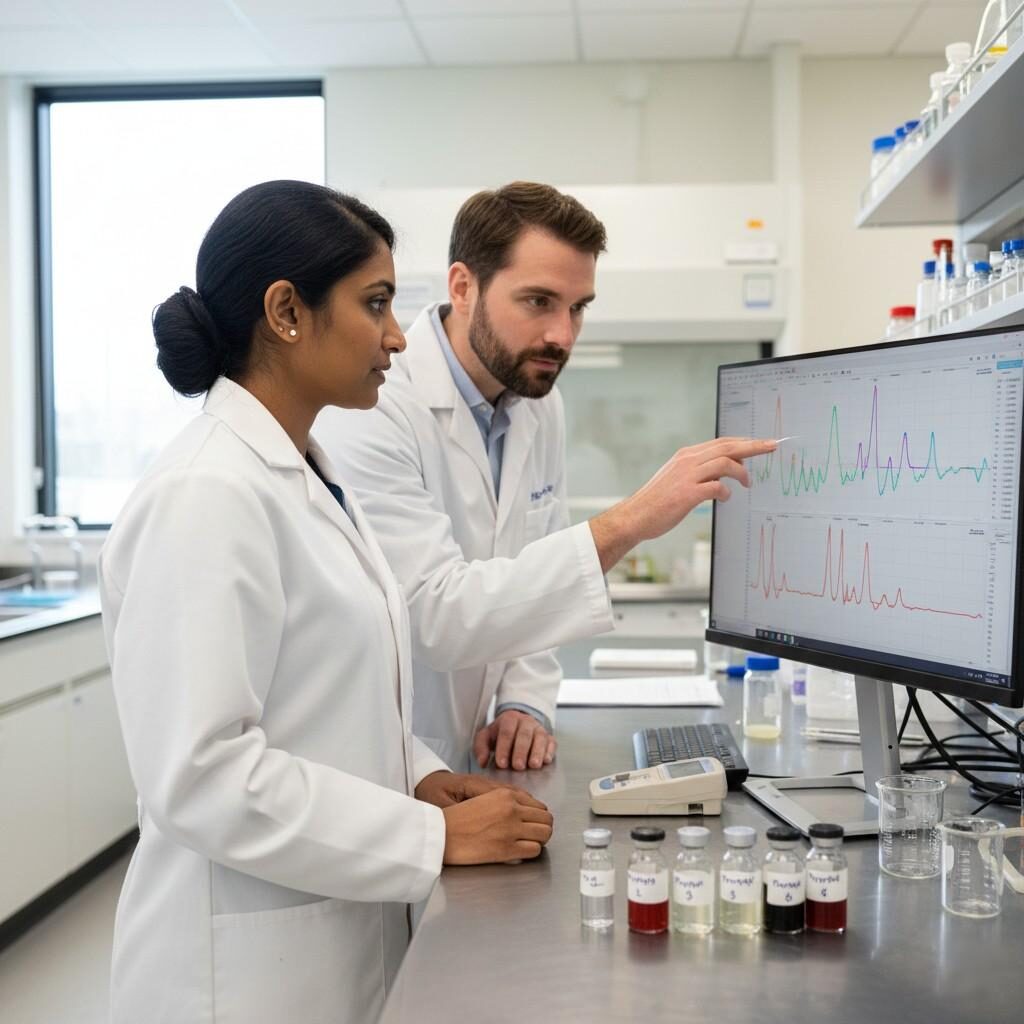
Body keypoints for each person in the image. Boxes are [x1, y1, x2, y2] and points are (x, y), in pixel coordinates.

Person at [98, 180, 554, 1024]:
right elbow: (202, 775)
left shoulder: (307, 472)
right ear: (285, 311)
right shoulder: (207, 495)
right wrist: (433, 841)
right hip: (235, 979)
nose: (394, 336)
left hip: (327, 935)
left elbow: (321, 698)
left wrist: (420, 778)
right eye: (374, 302)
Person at [316, 182, 776, 774]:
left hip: (472, 761)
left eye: (578, 307)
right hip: (382, 765)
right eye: (539, 301)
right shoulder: (376, 403)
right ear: (463, 286)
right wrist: (632, 520)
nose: (563, 335)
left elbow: (531, 576)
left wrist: (524, 703)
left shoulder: (536, 404)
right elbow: (431, 614)